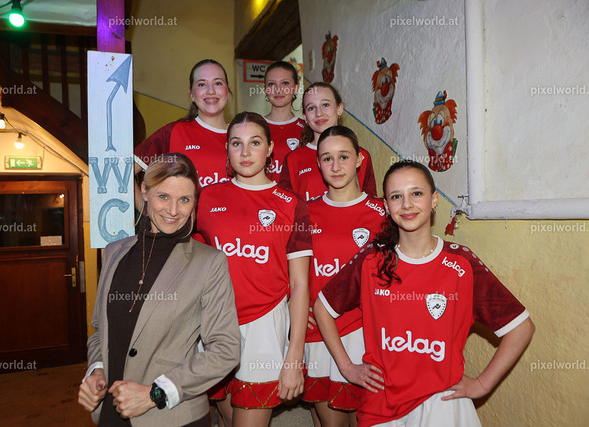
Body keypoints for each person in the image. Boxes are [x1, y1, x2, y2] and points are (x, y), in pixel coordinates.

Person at [313, 160, 535, 427]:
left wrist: (482, 384)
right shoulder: (371, 260)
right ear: (386, 207)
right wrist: (346, 367)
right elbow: (322, 308)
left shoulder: (462, 264)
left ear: (434, 200)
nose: (407, 204)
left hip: (441, 403)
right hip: (380, 406)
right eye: (397, 196)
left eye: (416, 193)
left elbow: (521, 327)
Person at [78, 154, 240, 427]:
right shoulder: (115, 252)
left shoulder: (209, 262)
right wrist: (96, 371)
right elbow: (99, 332)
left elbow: (226, 349)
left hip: (173, 417)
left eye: (184, 200)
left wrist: (156, 393)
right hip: (111, 412)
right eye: (163, 196)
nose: (173, 210)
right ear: (144, 191)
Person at [196, 112, 312, 427]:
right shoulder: (206, 198)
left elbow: (300, 285)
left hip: (265, 325)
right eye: (237, 143)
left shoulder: (291, 203)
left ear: (270, 148)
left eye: (255, 143)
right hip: (213, 323)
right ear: (227, 149)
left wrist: (294, 355)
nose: (245, 152)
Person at [303, 126, 386, 427]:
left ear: (359, 159)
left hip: (367, 332)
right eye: (327, 158)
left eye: (344, 157)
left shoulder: (384, 212)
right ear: (318, 163)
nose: (336, 166)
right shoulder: (303, 213)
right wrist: (294, 304)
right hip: (321, 333)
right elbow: (287, 269)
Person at [133, 59, 231, 210]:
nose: (210, 91)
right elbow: (124, 171)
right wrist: (147, 211)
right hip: (185, 226)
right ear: (191, 94)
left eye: (218, 83)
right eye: (202, 84)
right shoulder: (173, 132)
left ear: (228, 91)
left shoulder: (245, 136)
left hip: (238, 225)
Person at [279, 82, 377, 201]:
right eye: (311, 108)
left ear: (339, 109)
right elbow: (285, 206)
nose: (319, 113)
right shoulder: (293, 159)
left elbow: (370, 203)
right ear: (305, 117)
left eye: (325, 105)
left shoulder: (362, 155)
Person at [263, 61, 305, 179]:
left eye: (285, 83)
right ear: (265, 89)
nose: (278, 89)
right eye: (272, 84)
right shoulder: (254, 127)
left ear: (296, 88)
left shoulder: (308, 129)